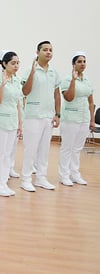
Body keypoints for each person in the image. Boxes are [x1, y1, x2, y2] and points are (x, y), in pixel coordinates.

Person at [21, 41, 61, 192]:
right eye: (45, 50)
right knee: (30, 149)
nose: (48, 52)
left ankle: (41, 178)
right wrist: (32, 72)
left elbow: (57, 95)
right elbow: (25, 91)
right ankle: (25, 179)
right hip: (33, 115)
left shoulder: (53, 72)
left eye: (51, 50)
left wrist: (57, 114)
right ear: (37, 52)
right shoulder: (29, 70)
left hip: (48, 116)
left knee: (44, 149)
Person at [59, 51, 94, 186]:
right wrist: (73, 80)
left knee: (77, 149)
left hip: (84, 118)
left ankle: (75, 174)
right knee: (67, 148)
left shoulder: (87, 81)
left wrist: (91, 119)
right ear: (73, 64)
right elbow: (68, 97)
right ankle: (64, 176)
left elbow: (91, 102)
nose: (82, 64)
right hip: (70, 118)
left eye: (84, 61)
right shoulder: (67, 79)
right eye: (79, 61)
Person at [0, 51, 22, 197]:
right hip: (2, 121)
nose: (16, 66)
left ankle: (3, 183)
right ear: (4, 64)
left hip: (13, 122)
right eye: (13, 63)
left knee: (8, 155)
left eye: (17, 63)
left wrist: (20, 124)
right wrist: (3, 85)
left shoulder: (16, 80)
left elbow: (18, 103)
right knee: (0, 154)